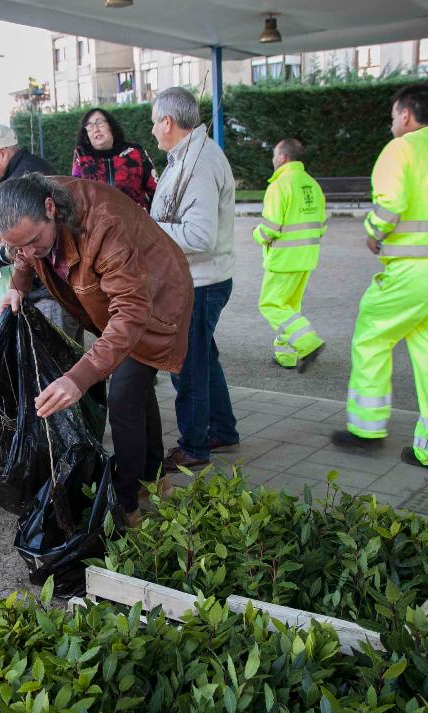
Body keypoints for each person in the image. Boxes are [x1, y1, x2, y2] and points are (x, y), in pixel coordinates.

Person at [0, 174, 193, 521]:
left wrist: (79, 378)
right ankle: (156, 479)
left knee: (123, 397)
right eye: (18, 245)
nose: (28, 251)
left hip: (155, 303)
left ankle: (128, 504)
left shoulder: (102, 224)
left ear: (50, 209)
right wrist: (18, 285)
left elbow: (131, 310)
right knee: (136, 392)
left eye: (34, 240)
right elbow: (24, 253)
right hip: (119, 303)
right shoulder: (29, 213)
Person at [332, 84, 428, 475]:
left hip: (412, 270)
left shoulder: (401, 149)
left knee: (372, 336)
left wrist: (373, 232)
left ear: (406, 115)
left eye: (394, 116)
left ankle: (367, 429)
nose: (393, 123)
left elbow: (391, 204)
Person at [148, 87, 239, 471]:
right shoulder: (187, 156)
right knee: (205, 359)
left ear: (168, 121)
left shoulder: (199, 162)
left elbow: (199, 236)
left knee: (186, 365)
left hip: (199, 284)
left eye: (154, 122)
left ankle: (194, 447)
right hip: (200, 280)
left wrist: (149, 233)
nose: (152, 130)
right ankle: (222, 431)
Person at [0, 124, 82, 343]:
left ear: (2, 153)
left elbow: (26, 244)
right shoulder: (25, 169)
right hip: (48, 285)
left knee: (58, 362)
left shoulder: (24, 177)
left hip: (50, 290)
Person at [253, 138, 327, 371]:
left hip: (284, 259)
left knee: (271, 305)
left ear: (283, 158)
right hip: (306, 258)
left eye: (274, 155)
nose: (273, 159)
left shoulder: (280, 185)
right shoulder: (311, 184)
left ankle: (308, 343)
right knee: (290, 308)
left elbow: (270, 228)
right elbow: (322, 225)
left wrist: (257, 234)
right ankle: (286, 356)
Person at [70, 107, 157, 209]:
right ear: (87, 135)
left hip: (136, 221)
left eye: (100, 122)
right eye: (90, 126)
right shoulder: (81, 157)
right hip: (97, 223)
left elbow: (156, 191)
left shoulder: (135, 152)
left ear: (111, 127)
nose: (96, 129)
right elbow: (75, 197)